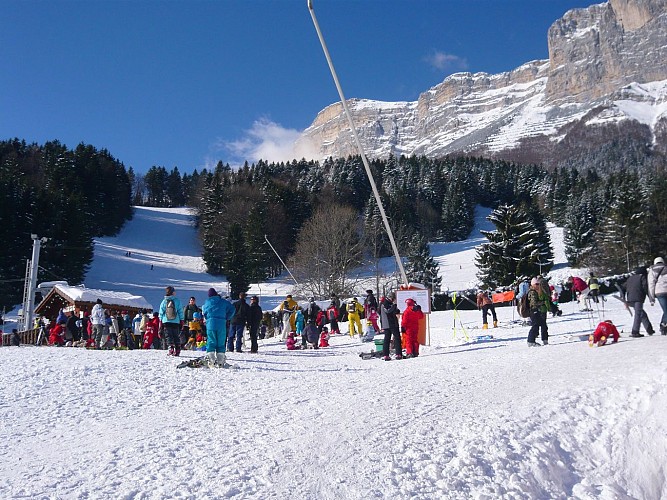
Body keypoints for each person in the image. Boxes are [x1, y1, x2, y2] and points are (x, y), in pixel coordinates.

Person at [202, 287, 236, 367]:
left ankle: (211, 359)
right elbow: (232, 309)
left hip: (210, 323)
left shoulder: (207, 302)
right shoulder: (223, 302)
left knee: (211, 340)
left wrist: (208, 319)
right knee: (221, 341)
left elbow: (204, 313)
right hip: (221, 323)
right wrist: (227, 317)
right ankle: (220, 361)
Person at [621, 267, 655, 337]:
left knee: (642, 313)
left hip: (630, 299)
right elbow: (645, 287)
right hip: (638, 298)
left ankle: (649, 329)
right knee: (638, 314)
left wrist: (623, 297)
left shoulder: (630, 278)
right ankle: (635, 331)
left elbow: (622, 287)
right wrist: (650, 297)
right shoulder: (642, 277)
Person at [159, 285, 185, 356]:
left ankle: (171, 348)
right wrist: (181, 320)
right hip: (175, 321)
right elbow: (180, 311)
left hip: (166, 321)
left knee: (168, 336)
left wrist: (160, 320)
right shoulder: (177, 301)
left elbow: (161, 312)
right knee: (176, 335)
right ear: (173, 292)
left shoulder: (164, 301)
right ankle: (178, 349)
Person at [527, 277, 549, 347]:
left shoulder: (537, 291)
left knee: (543, 325)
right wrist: (542, 302)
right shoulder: (532, 292)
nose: (538, 285)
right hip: (534, 310)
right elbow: (534, 303)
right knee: (535, 326)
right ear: (533, 284)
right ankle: (530, 341)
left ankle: (544, 339)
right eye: (536, 284)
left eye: (539, 284)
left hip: (537, 310)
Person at [648, 256, 667, 335]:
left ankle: (663, 325)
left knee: (666, 310)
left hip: (659, 292)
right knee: (666, 310)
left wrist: (651, 297)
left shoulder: (652, 270)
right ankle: (663, 325)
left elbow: (651, 284)